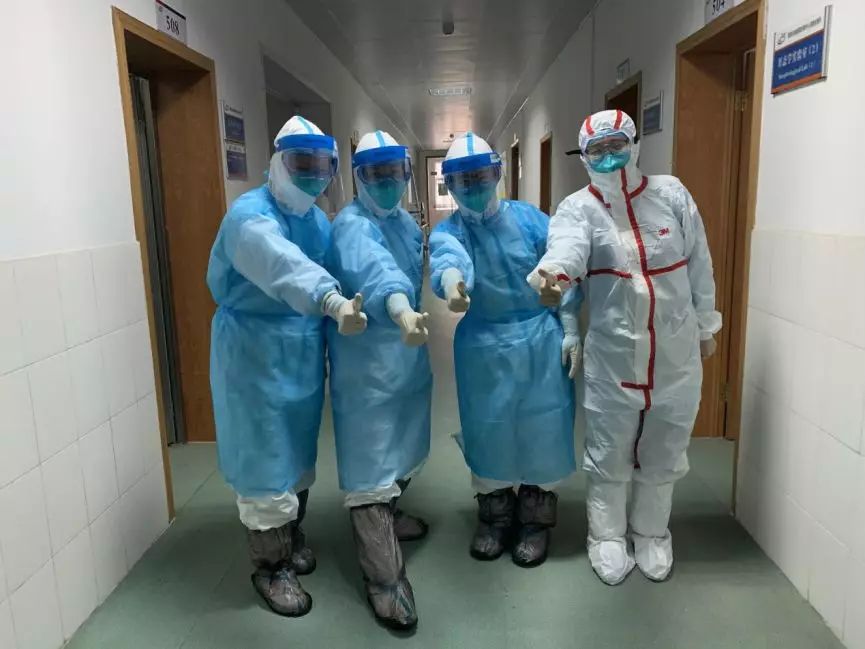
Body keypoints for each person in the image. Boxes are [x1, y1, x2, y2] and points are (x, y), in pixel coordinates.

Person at [527, 109, 721, 585]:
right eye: (597, 150)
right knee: (608, 452)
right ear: (583, 156)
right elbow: (567, 248)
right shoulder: (579, 208)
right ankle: (606, 537)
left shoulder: (671, 195)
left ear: (635, 144)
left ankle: (652, 534)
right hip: (613, 356)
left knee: (665, 450)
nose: (609, 157)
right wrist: (554, 275)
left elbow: (699, 263)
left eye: (617, 145)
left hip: (675, 354)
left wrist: (706, 326)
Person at [207, 115, 367, 617]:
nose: (312, 176)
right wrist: (330, 299)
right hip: (252, 354)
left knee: (297, 452)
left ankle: (291, 535)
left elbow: (341, 265)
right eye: (301, 163)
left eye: (322, 166)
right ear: (277, 162)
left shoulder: (317, 220)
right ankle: (270, 566)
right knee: (264, 456)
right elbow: (282, 264)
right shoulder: (248, 216)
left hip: (300, 351)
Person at [428, 132, 580, 568]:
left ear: (497, 174)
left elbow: (561, 265)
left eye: (481, 176)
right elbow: (448, 258)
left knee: (542, 426)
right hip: (482, 346)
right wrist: (453, 284)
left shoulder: (530, 220)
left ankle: (534, 521)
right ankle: (494, 517)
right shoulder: (450, 230)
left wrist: (570, 325)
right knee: (488, 428)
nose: (474, 186)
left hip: (539, 339)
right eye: (463, 180)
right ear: (450, 185)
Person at [326, 130, 432, 630]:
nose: (387, 182)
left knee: (403, 447)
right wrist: (401, 309)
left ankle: (390, 517)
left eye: (395, 172)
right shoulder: (351, 225)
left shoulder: (406, 224)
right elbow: (377, 271)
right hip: (366, 366)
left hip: (406, 360)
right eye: (376, 173)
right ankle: (385, 583)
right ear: (358, 177)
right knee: (370, 466)